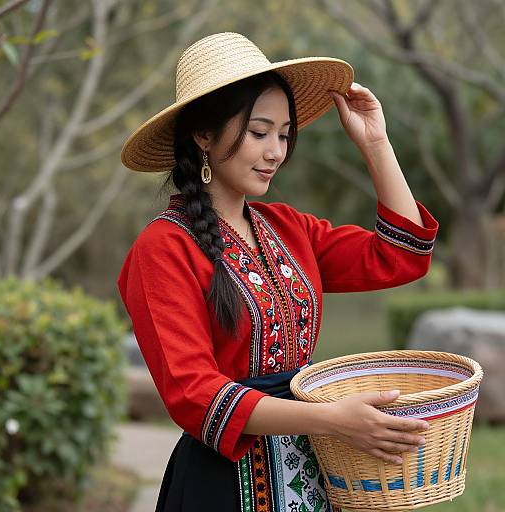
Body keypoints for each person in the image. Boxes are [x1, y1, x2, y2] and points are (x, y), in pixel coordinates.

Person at [117, 32, 439, 512]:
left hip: (314, 476)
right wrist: (331, 420)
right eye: (259, 132)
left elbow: (402, 255)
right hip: (223, 485)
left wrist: (375, 143)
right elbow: (193, 393)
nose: (275, 153)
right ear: (203, 135)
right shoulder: (162, 249)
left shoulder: (288, 229)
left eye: (285, 135)